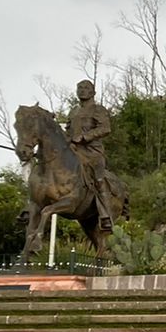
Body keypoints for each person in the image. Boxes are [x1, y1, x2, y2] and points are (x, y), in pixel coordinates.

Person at [66, 79, 114, 231]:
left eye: (85, 88)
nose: (82, 90)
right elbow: (68, 130)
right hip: (74, 150)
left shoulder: (98, 110)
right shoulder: (73, 111)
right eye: (79, 87)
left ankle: (106, 214)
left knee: (99, 180)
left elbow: (105, 128)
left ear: (93, 92)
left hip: (92, 151)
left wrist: (85, 137)